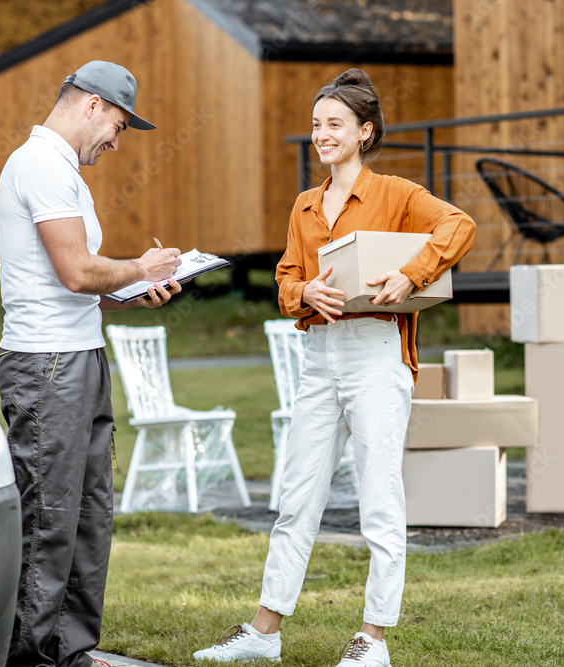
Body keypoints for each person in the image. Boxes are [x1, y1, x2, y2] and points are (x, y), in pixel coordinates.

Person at [193, 68, 475, 666]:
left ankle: (373, 639)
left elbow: (460, 226)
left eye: (335, 124)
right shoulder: (305, 205)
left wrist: (412, 273)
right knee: (296, 496)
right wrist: (305, 297)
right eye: (317, 124)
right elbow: (286, 278)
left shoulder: (396, 194)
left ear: (364, 132)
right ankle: (264, 634)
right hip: (320, 358)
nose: (322, 134)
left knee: (379, 496)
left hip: (377, 352)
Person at [0, 61, 183, 667]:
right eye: (119, 126)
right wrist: (140, 267)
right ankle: (29, 657)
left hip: (79, 356)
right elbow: (77, 268)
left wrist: (133, 290)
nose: (116, 141)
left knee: (88, 513)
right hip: (46, 365)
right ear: (93, 105)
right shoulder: (42, 166)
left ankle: (71, 650)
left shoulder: (64, 171)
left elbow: (79, 285)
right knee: (49, 516)